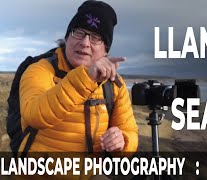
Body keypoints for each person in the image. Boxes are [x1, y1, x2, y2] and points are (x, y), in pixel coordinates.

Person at [18, 0, 138, 154]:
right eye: (79, 33)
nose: (85, 43)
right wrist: (85, 78)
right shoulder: (40, 69)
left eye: (95, 37)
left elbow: (130, 131)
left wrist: (123, 140)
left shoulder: (115, 85)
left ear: (105, 50)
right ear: (67, 38)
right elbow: (34, 115)